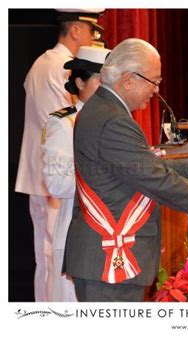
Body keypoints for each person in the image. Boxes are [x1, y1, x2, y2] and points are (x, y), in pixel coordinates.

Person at [64, 38, 188, 302]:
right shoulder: (112, 120)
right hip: (109, 260)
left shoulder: (105, 110)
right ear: (129, 79)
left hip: (105, 259)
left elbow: (141, 165)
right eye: (153, 81)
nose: (155, 91)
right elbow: (152, 177)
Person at [15, 8, 105, 301]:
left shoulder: (41, 62)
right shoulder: (63, 67)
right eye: (91, 32)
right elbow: (72, 122)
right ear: (76, 30)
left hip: (38, 176)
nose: (93, 39)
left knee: (46, 257)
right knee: (60, 256)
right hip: (58, 175)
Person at [41, 46, 111, 301]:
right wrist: (109, 172)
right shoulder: (64, 123)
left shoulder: (119, 122)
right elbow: (57, 184)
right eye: (101, 81)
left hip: (113, 236)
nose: (107, 89)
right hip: (77, 234)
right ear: (80, 82)